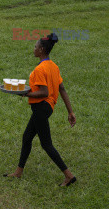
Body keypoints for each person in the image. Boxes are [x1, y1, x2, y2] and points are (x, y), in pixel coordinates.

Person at [5, 33, 77, 186]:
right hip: (47, 108)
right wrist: (70, 112)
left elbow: (44, 92)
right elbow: (62, 89)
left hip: (41, 108)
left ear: (42, 49)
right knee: (27, 137)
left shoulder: (40, 69)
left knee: (46, 144)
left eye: (36, 47)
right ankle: (18, 172)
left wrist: (26, 93)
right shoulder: (53, 67)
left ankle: (68, 175)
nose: (34, 49)